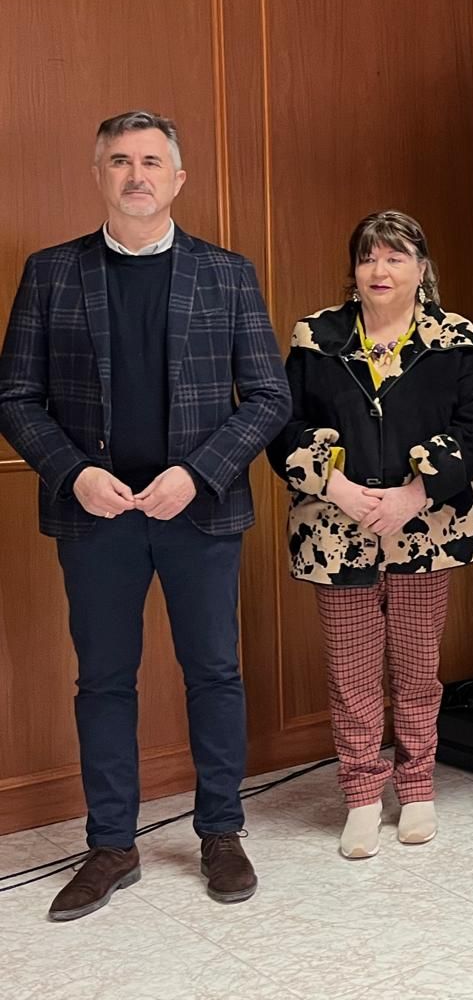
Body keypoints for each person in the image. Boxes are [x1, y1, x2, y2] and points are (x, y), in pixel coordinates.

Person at [0, 110, 289, 919]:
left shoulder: (226, 273)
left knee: (215, 674)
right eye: (121, 161)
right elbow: (15, 395)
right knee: (103, 680)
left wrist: (197, 474)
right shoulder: (51, 273)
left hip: (198, 512)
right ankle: (111, 846)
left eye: (152, 161)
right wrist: (74, 473)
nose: (137, 175)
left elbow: (268, 397)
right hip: (98, 516)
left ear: (178, 178)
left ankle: (221, 832)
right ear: (98, 175)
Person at [268, 211, 473, 858]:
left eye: (396, 257)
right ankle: (363, 796)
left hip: (425, 530)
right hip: (336, 531)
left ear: (421, 268)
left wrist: (414, 495)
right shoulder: (316, 336)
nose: (380, 270)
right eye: (369, 257)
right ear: (354, 268)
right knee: (352, 673)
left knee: (419, 669)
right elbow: (281, 423)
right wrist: (337, 486)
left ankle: (417, 786)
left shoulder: (452, 336)